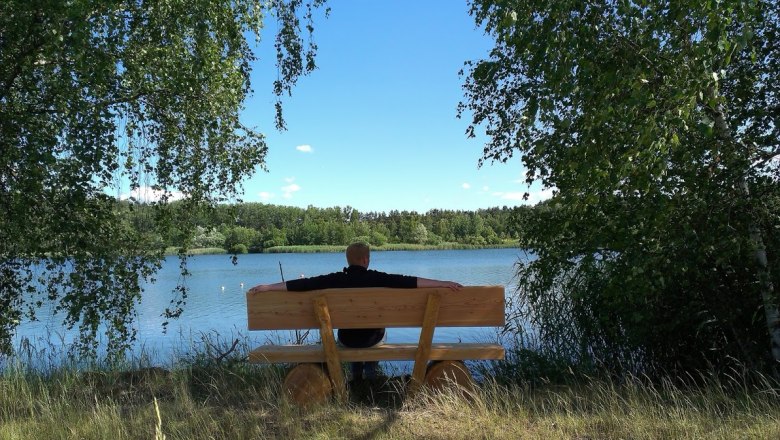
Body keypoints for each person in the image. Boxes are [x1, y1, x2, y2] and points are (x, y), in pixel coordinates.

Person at [248, 242, 462, 381]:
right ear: (366, 260)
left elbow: (303, 284)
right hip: (373, 340)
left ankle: (356, 374)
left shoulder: (335, 279)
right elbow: (409, 282)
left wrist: (269, 287)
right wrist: (441, 282)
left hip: (347, 340)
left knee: (349, 330)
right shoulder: (379, 278)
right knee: (378, 329)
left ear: (348, 260)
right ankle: (370, 371)